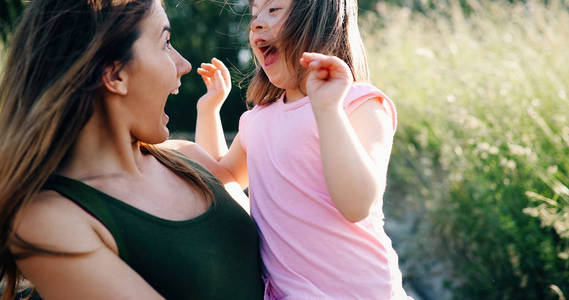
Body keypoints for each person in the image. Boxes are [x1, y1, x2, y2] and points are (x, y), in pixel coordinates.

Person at [0, 0, 264, 299]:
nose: (184, 65)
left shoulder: (187, 157)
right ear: (115, 75)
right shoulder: (48, 220)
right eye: (165, 42)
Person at [177, 0, 411, 298]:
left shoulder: (358, 103)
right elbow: (222, 175)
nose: (256, 23)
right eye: (254, 14)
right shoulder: (256, 120)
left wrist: (327, 108)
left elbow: (357, 205)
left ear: (318, 20)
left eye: (273, 10)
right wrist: (209, 110)